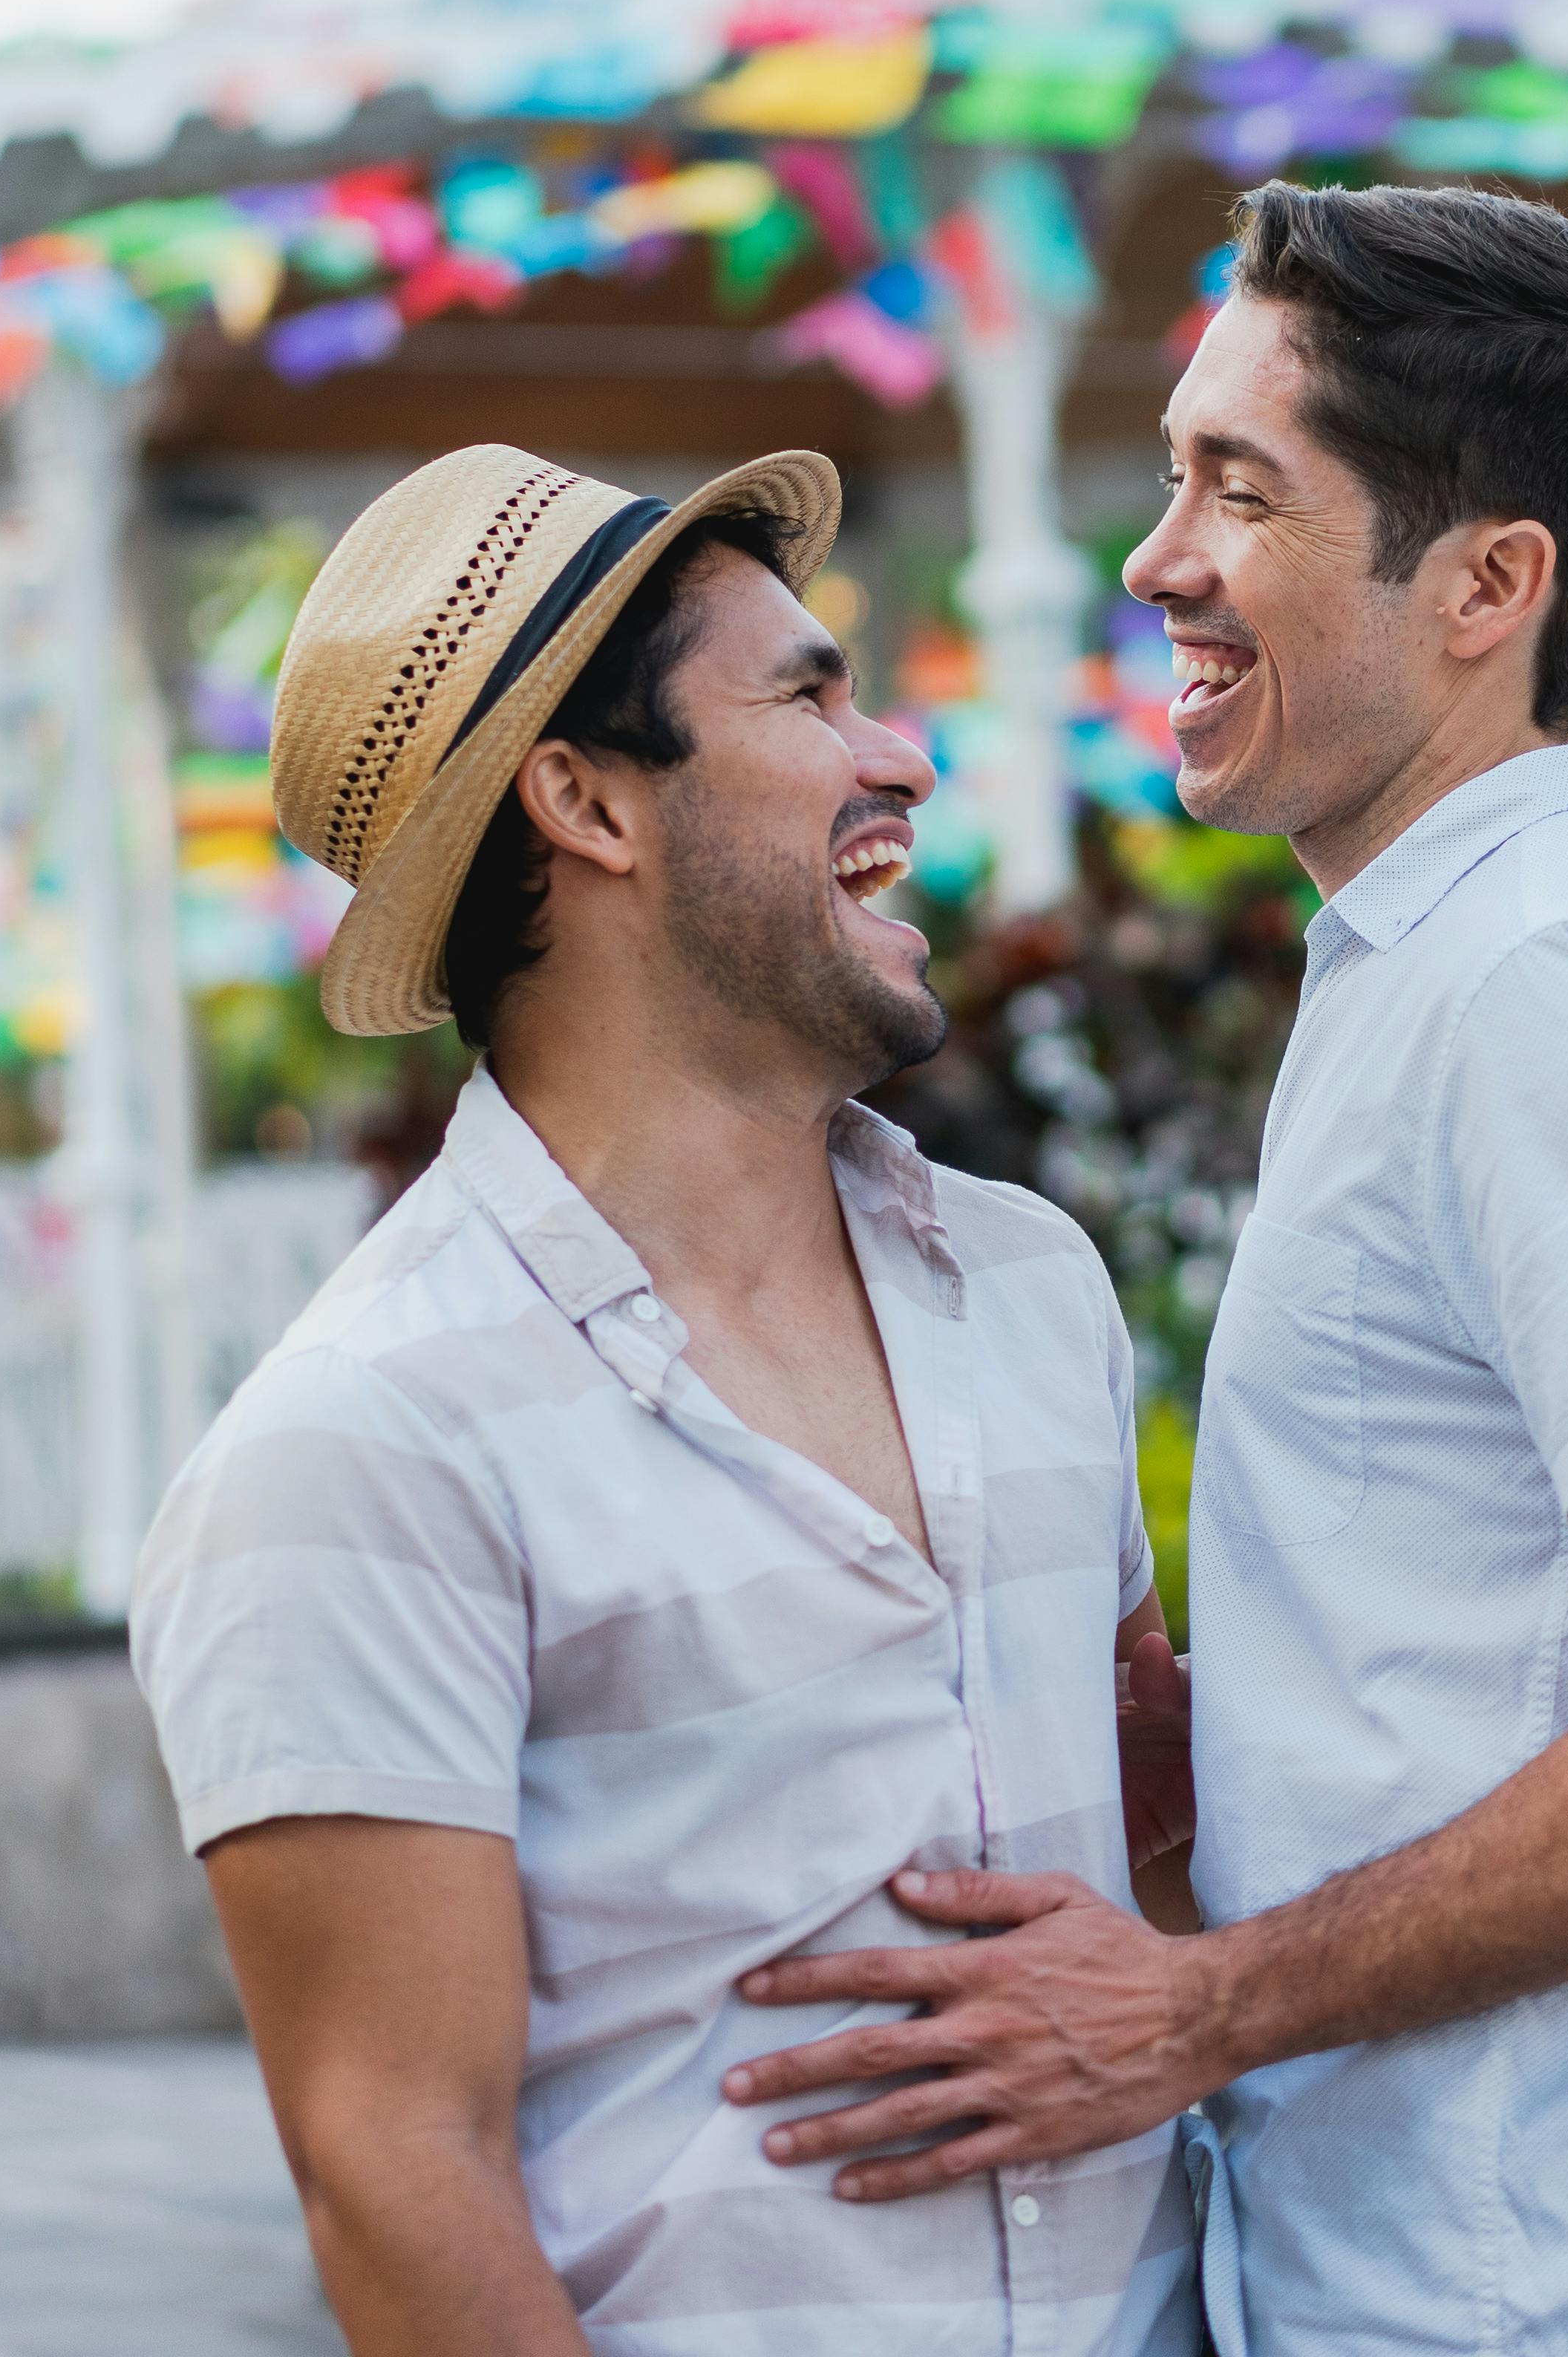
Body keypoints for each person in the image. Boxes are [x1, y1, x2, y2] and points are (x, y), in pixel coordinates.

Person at [723, 184, 1568, 2353]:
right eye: (1170, 472)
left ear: (1492, 584)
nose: (1156, 560)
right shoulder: (1438, 956)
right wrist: (1230, 1750)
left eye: (1243, 488)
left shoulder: (1555, 976)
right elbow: (1530, 1653)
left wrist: (1193, 2008)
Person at [128, 446, 1201, 2357]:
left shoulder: (1032, 1285)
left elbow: (1161, 1840)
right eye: (808, 694)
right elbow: (397, 2167)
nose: (903, 757)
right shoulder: (355, 1445)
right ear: (587, 798)